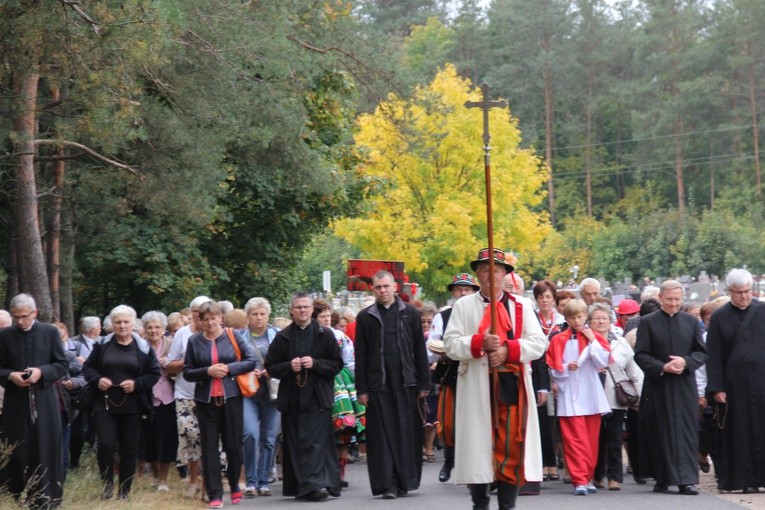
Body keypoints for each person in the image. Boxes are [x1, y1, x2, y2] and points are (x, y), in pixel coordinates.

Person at [443, 248, 548, 510]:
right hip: (476, 386)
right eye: (485, 270)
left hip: (512, 387)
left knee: (511, 444)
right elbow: (451, 344)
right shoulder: (463, 306)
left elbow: (538, 344)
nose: (491, 276)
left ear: (506, 275)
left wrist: (507, 351)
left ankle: (507, 505)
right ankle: (480, 503)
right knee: (478, 446)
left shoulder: (522, 306)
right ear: (478, 275)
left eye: (497, 270)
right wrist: (478, 342)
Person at [355, 271, 431, 499]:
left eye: (386, 286)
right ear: (373, 290)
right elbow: (362, 355)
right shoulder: (365, 317)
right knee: (381, 436)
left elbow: (419, 350)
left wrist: (424, 383)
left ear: (395, 287)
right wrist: (362, 389)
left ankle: (404, 482)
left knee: (406, 433)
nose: (383, 291)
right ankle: (386, 484)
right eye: (378, 287)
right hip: (378, 384)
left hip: (406, 382)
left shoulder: (409, 313)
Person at [264, 292, 343, 501]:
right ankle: (301, 486)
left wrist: (315, 364)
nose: (302, 311)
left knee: (315, 442)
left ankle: (315, 485)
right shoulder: (283, 337)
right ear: (291, 310)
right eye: (298, 307)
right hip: (292, 398)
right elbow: (270, 367)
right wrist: (289, 366)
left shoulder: (325, 334)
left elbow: (337, 364)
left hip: (317, 396)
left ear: (311, 309)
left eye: (306, 307)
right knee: (296, 442)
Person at [634, 280, 707, 495]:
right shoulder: (648, 322)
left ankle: (687, 480)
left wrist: (685, 362)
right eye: (669, 299)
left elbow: (701, 352)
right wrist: (663, 367)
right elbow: (640, 354)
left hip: (684, 384)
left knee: (686, 431)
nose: (673, 304)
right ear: (661, 298)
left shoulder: (691, 321)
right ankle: (662, 477)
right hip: (659, 384)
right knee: (661, 430)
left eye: (677, 299)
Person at [83, 304, 160, 500]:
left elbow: (154, 374)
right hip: (104, 403)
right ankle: (107, 486)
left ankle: (124, 491)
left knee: (129, 447)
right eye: (118, 322)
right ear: (112, 324)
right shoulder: (102, 345)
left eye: (126, 322)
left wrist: (136, 383)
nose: (123, 325)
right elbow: (88, 369)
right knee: (106, 445)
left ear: (133, 323)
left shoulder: (143, 347)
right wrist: (97, 380)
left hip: (133, 405)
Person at [184, 300, 256, 509]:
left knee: (233, 445)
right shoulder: (194, 341)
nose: (210, 323)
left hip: (231, 398)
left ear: (221, 318)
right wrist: (207, 371)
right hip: (206, 401)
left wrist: (228, 368)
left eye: (213, 318)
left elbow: (250, 361)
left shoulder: (233, 336)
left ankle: (234, 485)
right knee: (209, 448)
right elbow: (187, 372)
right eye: (205, 319)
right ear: (201, 321)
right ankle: (215, 493)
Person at [0, 294, 68, 509]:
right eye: (15, 317)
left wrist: (42, 371)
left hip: (45, 401)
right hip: (16, 402)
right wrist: (10, 376)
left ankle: (47, 499)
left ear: (34, 313)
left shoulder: (49, 332)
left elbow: (61, 364)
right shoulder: (5, 335)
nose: (20, 321)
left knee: (45, 447)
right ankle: (16, 495)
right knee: (17, 448)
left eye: (24, 316)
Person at [705, 268, 765, 493]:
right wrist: (717, 387)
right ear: (730, 291)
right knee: (739, 433)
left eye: (748, 291)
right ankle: (744, 480)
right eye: (739, 292)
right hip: (734, 385)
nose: (745, 296)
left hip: (762, 383)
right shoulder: (720, 316)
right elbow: (714, 355)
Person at [546, 300, 611, 496]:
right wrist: (566, 367)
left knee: (591, 441)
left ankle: (588, 477)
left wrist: (592, 339)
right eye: (572, 317)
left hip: (591, 394)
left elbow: (603, 361)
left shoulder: (594, 337)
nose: (576, 321)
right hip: (570, 395)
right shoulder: (558, 339)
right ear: (566, 319)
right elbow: (553, 368)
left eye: (580, 317)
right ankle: (579, 479)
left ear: (585, 317)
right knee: (574, 440)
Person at [427, 272, 480, 484]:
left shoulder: (481, 313)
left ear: (473, 292)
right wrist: (440, 351)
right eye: (459, 289)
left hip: (476, 374)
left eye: (467, 289)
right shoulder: (442, 316)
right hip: (451, 374)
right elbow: (431, 347)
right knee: (448, 423)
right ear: (453, 293)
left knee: (476, 422)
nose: (463, 292)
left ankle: (474, 466)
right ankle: (449, 460)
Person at [589, 302, 644, 491]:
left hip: (615, 396)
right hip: (592, 397)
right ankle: (597, 475)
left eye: (604, 317)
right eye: (596, 318)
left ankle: (615, 477)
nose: (601, 321)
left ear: (611, 320)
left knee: (615, 438)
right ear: (590, 321)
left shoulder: (620, 342)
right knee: (597, 438)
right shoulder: (586, 341)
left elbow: (633, 368)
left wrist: (638, 392)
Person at [313, 299, 363, 489]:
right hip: (319, 380)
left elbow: (350, 361)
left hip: (340, 382)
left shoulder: (340, 336)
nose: (325, 319)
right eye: (321, 316)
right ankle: (324, 470)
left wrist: (355, 383)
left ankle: (339, 472)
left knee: (343, 429)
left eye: (327, 316)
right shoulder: (310, 336)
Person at [165, 295, 210, 500]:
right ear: (191, 314)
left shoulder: (217, 334)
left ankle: (210, 484)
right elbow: (170, 365)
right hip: (185, 394)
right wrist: (190, 362)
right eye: (196, 312)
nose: (200, 317)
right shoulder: (182, 334)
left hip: (211, 395)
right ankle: (193, 482)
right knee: (190, 439)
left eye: (204, 313)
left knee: (210, 440)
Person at [240, 297, 281, 498]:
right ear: (247, 317)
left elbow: (285, 361)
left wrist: (269, 371)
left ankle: (264, 481)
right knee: (249, 433)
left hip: (272, 391)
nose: (258, 318)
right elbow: (234, 362)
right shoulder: (239, 337)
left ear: (268, 315)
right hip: (248, 391)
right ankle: (250, 481)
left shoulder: (279, 335)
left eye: (262, 314)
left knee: (269, 437)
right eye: (254, 314)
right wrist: (249, 370)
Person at [140, 311, 177, 492]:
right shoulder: (140, 346)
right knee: (149, 440)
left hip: (168, 397)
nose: (154, 330)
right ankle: (155, 476)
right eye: (150, 327)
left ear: (163, 329)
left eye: (157, 327)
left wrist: (170, 364)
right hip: (146, 398)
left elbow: (181, 365)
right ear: (145, 330)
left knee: (166, 438)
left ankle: (163, 480)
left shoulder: (171, 344)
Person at [68, 316, 102, 470]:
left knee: (95, 423)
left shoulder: (102, 342)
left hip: (98, 389)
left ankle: (92, 449)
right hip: (81, 391)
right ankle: (75, 460)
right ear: (93, 329)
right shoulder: (75, 343)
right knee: (79, 426)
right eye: (99, 326)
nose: (101, 328)